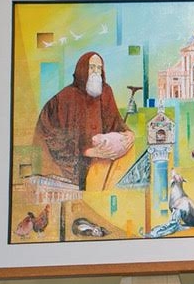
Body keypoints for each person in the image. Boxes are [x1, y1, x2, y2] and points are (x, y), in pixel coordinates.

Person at [34, 51, 135, 189]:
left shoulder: (106, 91)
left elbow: (115, 122)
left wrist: (129, 133)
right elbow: (51, 134)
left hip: (100, 164)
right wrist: (87, 151)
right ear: (82, 69)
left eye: (99, 68)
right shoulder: (65, 97)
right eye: (92, 67)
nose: (96, 72)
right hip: (75, 167)